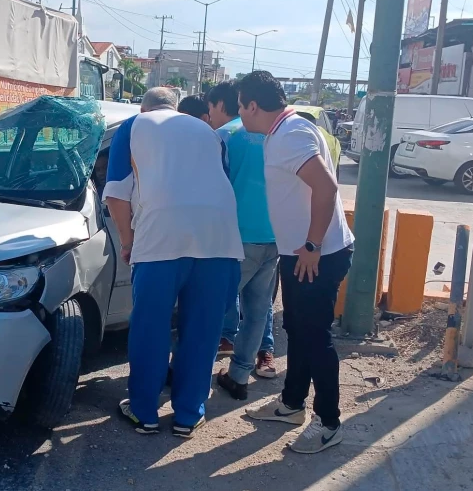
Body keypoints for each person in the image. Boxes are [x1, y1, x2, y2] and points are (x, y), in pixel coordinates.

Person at [103, 87, 243, 438]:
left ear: (144, 107)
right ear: (176, 108)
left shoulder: (134, 126)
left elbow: (117, 193)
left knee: (150, 326)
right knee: (204, 329)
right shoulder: (209, 133)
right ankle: (187, 415)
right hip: (219, 237)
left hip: (161, 237)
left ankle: (144, 412)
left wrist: (128, 242)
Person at [236, 71, 354, 454]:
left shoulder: (290, 135)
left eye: (241, 105)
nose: (240, 112)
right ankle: (291, 404)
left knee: (315, 337)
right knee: (297, 328)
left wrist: (312, 245)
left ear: (253, 106)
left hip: (315, 255)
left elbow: (326, 186)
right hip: (300, 253)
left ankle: (329, 422)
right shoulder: (287, 129)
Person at [205, 81, 280, 398]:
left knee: (209, 308)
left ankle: (192, 370)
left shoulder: (225, 136)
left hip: (235, 239)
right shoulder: (278, 135)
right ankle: (238, 377)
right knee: (257, 312)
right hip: (274, 238)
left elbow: (208, 190)